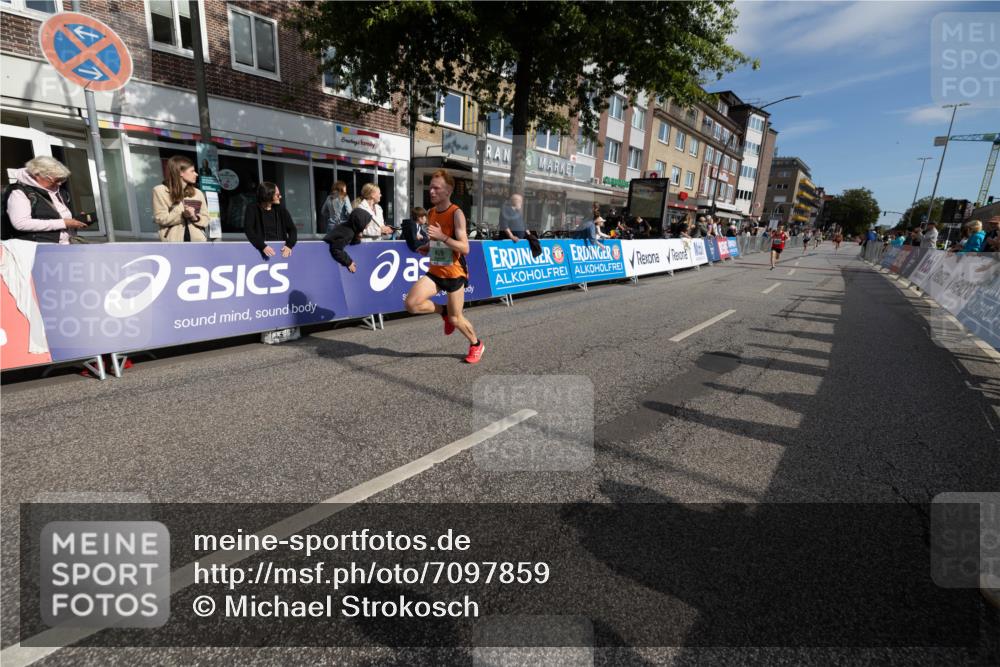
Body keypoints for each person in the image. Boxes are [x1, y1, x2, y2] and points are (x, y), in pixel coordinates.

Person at [403, 169, 484, 364]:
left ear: (448, 191)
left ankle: (476, 344)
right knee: (411, 304)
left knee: (457, 320)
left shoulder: (456, 213)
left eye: (436, 188)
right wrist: (427, 246)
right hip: (436, 271)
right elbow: (436, 243)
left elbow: (465, 248)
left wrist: (442, 237)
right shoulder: (430, 213)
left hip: (455, 274)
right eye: (430, 187)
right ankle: (444, 312)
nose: (431, 191)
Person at [2, 156, 87, 243]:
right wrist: (64, 223)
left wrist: (75, 221)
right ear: (37, 175)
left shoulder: (58, 190)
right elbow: (21, 223)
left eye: (62, 180)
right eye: (56, 180)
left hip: (66, 244)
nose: (59, 184)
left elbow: (55, 215)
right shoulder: (19, 192)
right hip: (39, 247)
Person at [151, 156, 209, 242]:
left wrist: (194, 217)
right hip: (173, 242)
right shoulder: (160, 191)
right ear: (180, 172)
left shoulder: (198, 193)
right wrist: (182, 215)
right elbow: (160, 218)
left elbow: (206, 219)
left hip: (198, 242)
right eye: (192, 171)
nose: (196, 174)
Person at [244, 182, 297, 259]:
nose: (280, 196)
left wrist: (289, 245)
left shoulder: (281, 209)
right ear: (268, 195)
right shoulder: (252, 208)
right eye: (277, 195)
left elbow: (292, 229)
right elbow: (249, 230)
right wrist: (262, 246)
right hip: (261, 252)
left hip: (280, 252)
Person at [324, 208, 375, 273]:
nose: (369, 224)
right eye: (367, 222)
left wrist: (357, 237)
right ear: (360, 222)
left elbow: (349, 241)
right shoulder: (348, 233)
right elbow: (336, 249)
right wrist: (349, 262)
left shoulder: (349, 228)